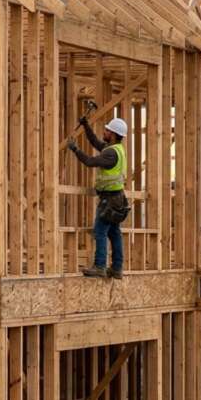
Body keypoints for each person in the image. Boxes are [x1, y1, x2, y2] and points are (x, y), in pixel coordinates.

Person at [67, 116, 129, 279]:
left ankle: (100, 266)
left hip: (109, 199)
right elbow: (95, 142)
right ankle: (116, 268)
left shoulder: (110, 154)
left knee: (100, 231)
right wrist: (86, 125)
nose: (105, 131)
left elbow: (90, 161)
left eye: (107, 130)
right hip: (117, 198)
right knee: (114, 232)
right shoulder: (116, 149)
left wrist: (75, 150)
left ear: (114, 134)